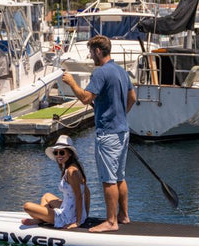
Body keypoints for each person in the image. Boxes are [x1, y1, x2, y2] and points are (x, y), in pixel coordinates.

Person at [61, 35, 136, 232]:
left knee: (108, 178)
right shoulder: (121, 71)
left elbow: (86, 98)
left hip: (108, 134)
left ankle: (111, 222)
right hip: (122, 131)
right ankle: (124, 215)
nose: (90, 55)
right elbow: (133, 98)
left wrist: (71, 82)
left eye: (91, 51)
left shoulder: (101, 73)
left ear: (97, 51)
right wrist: (120, 115)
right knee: (120, 176)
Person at [22, 135, 90, 229]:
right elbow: (87, 192)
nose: (58, 156)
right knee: (46, 196)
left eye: (62, 152)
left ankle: (41, 219)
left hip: (68, 217)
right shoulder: (76, 167)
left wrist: (78, 221)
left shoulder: (71, 172)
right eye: (56, 153)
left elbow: (79, 196)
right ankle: (42, 219)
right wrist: (85, 214)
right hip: (71, 209)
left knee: (27, 206)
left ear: (70, 153)